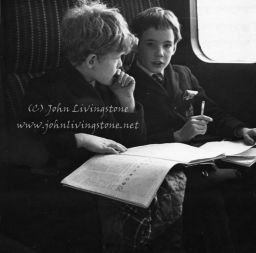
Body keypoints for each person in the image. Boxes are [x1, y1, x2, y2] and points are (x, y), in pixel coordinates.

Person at [20, 2, 186, 252]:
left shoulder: (107, 87)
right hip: (65, 178)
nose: (121, 65)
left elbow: (133, 143)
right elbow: (33, 144)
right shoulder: (44, 89)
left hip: (108, 173)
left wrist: (126, 100)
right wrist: (81, 138)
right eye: (118, 58)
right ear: (91, 60)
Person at [128, 7, 256, 253]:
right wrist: (176, 136)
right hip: (166, 160)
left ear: (176, 46)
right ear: (136, 45)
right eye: (150, 44)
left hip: (203, 150)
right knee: (209, 195)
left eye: (167, 45)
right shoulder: (128, 84)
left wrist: (241, 129)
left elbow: (214, 112)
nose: (160, 53)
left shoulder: (183, 73)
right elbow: (133, 138)